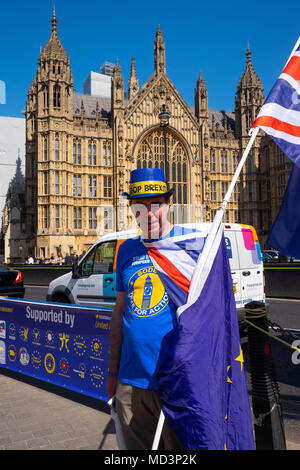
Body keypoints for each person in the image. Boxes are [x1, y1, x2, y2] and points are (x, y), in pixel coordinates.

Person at [106, 168, 184, 450]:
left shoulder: (187, 248)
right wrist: (112, 374)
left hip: (174, 384)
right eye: (139, 206)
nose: (148, 214)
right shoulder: (126, 250)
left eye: (156, 205)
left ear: (168, 204)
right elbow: (119, 314)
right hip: (130, 382)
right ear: (131, 209)